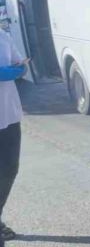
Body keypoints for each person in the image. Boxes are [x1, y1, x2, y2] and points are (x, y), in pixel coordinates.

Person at [0, 27, 27, 242]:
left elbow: (21, 63)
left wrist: (19, 70)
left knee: (9, 169)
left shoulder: (3, 34)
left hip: (8, 115)